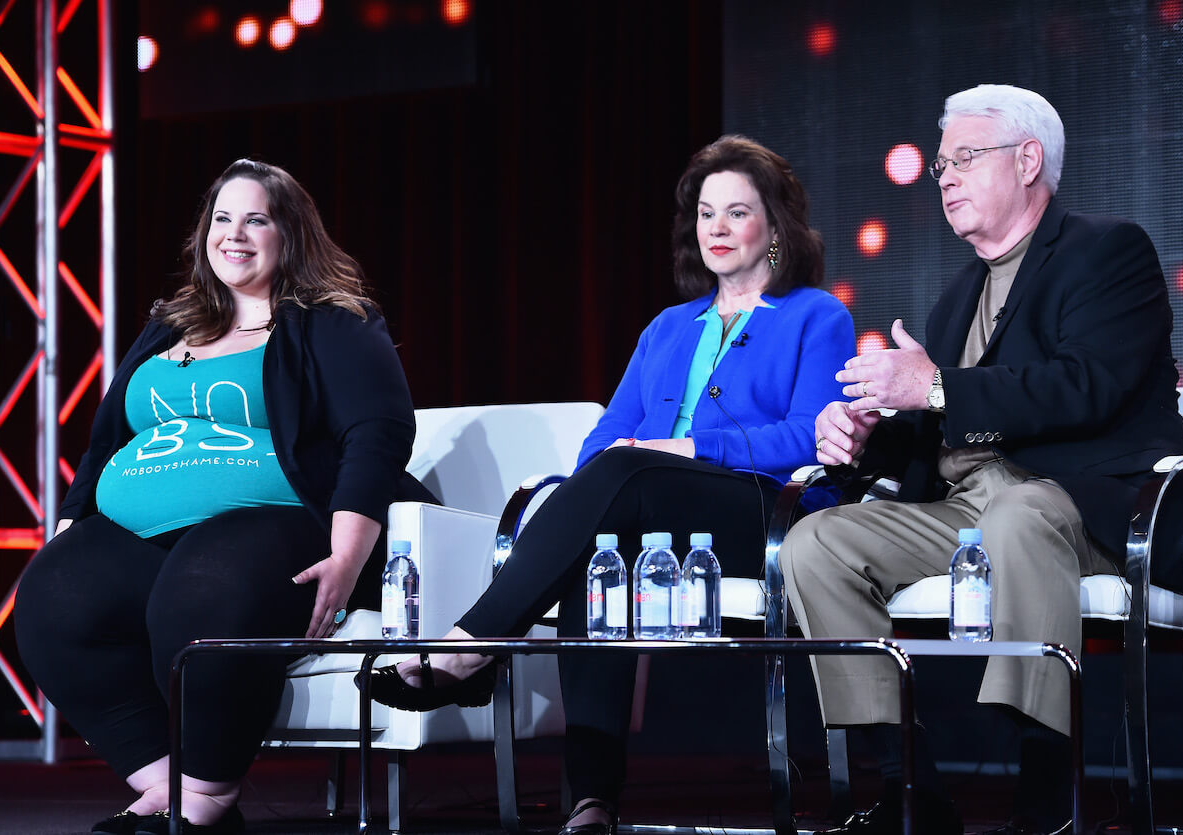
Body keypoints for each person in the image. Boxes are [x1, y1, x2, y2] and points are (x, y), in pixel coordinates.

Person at [358, 135, 855, 834]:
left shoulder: (815, 315)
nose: (715, 227)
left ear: (775, 228)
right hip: (646, 505)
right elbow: (602, 440)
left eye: (736, 212)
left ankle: (471, 644)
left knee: (621, 476)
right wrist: (633, 456)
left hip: (759, 510)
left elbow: (810, 437)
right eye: (705, 213)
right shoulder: (666, 327)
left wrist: (682, 445)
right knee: (597, 548)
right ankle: (591, 801)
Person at [780, 85, 1183, 835]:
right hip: (968, 510)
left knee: (1018, 512)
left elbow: (1085, 386)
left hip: (1085, 502)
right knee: (816, 542)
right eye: (939, 163)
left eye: (963, 158)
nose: (943, 176)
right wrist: (865, 435)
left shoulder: (1107, 249)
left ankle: (1046, 794)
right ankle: (911, 789)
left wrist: (932, 383)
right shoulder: (957, 293)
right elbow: (945, 428)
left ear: (1028, 160)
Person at [15, 159, 438, 835]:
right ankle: (162, 785)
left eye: (255, 219)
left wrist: (349, 551)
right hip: (147, 533)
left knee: (205, 586)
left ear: (289, 233)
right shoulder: (169, 323)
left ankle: (206, 798)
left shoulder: (332, 320)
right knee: (49, 599)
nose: (233, 234)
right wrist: (69, 527)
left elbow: (377, 433)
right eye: (221, 218)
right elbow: (104, 439)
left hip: (282, 523)